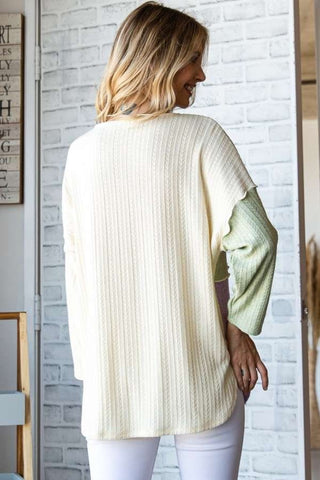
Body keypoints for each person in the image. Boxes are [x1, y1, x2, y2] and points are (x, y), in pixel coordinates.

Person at [61, 2, 278, 479]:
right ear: (158, 57)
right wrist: (239, 332)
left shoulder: (81, 156)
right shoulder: (203, 138)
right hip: (200, 368)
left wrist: (90, 371)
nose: (201, 74)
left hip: (114, 377)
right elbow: (258, 240)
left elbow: (77, 275)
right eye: (193, 58)